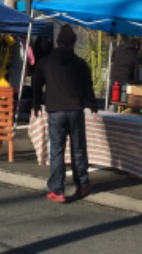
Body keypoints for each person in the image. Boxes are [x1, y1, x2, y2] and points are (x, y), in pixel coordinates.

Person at [32, 24, 97, 203]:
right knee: (78, 149)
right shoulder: (80, 64)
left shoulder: (46, 62)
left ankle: (57, 190)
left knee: (57, 151)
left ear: (58, 42)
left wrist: (36, 104)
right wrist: (92, 105)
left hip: (55, 110)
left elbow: (36, 84)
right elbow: (87, 87)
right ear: (73, 43)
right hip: (76, 110)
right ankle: (82, 184)